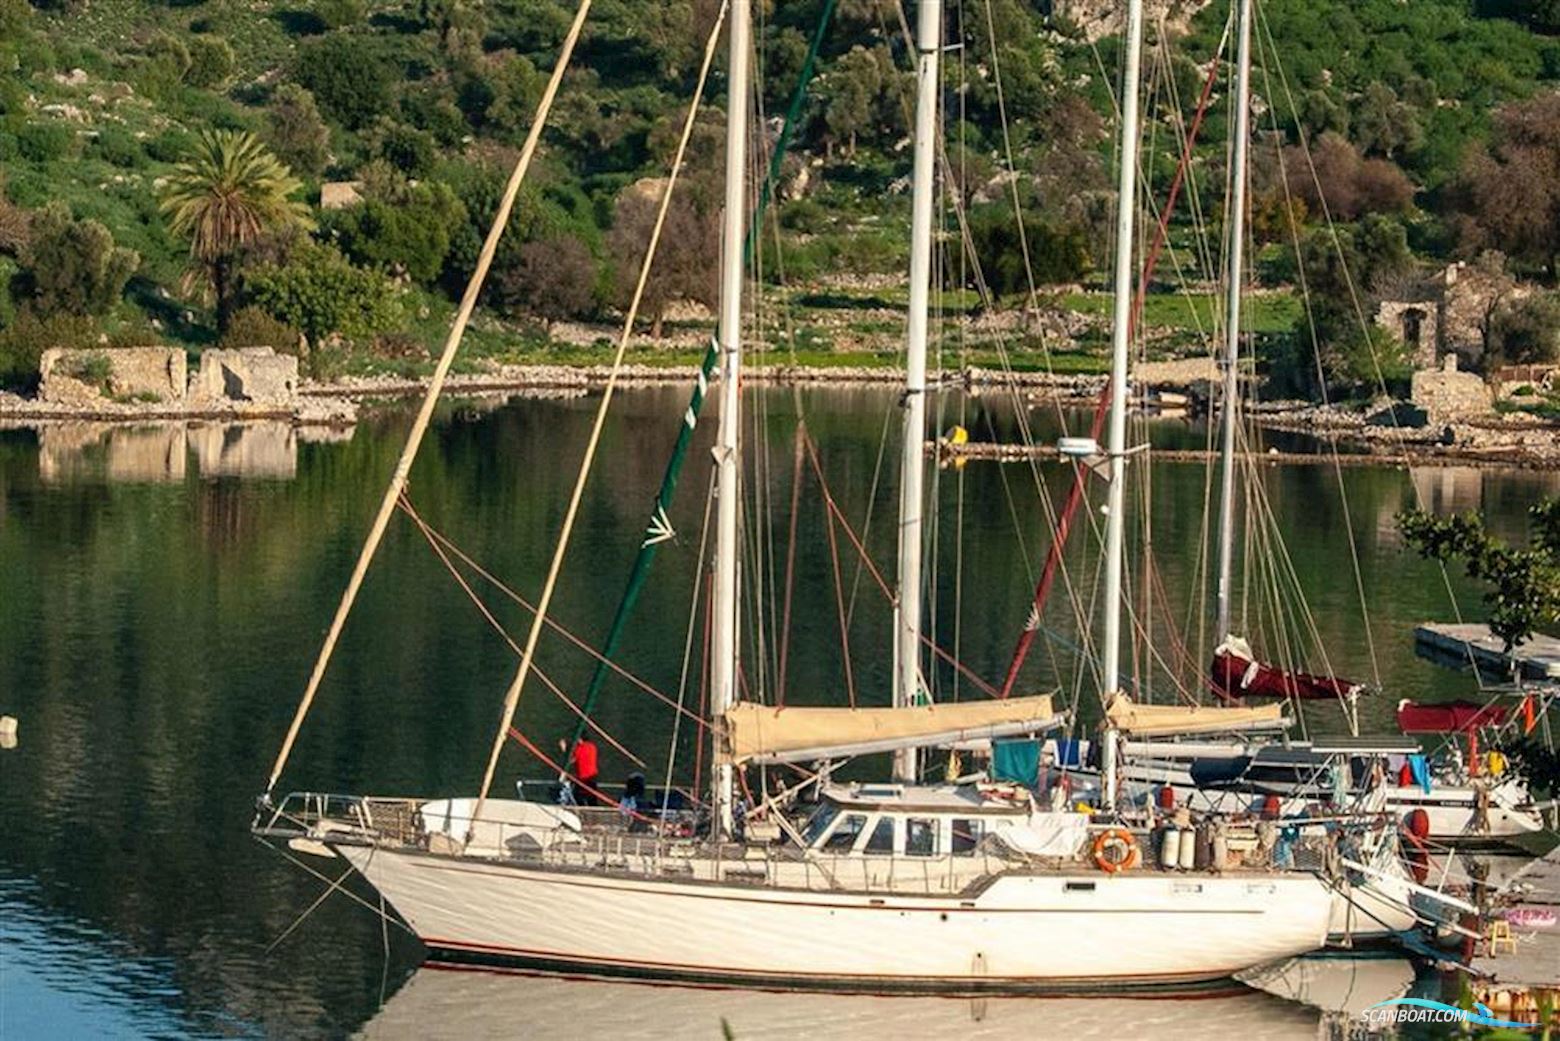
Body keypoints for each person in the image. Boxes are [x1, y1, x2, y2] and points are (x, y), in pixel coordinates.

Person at [562, 735, 600, 806]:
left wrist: (565, 750)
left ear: (579, 739)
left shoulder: (579, 748)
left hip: (583, 777)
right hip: (593, 775)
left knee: (578, 796)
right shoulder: (592, 746)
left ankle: (582, 810)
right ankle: (592, 811)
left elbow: (571, 760)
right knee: (592, 798)